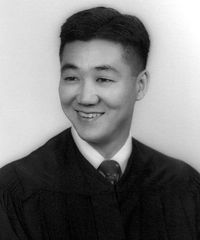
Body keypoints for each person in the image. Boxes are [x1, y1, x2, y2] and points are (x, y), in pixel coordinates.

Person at [0, 6, 200, 240]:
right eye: (72, 78)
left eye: (103, 79)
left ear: (140, 85)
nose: (85, 97)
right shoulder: (16, 190)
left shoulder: (184, 186)